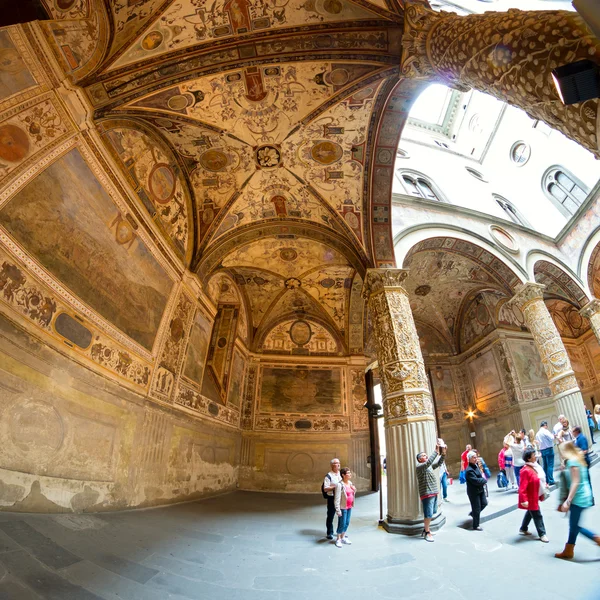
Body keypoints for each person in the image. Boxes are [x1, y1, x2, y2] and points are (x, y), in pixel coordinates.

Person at [555, 442, 600, 559]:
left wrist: (568, 501)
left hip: (578, 498)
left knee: (575, 526)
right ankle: (568, 550)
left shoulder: (572, 461)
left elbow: (575, 482)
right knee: (574, 525)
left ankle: (597, 539)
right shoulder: (579, 459)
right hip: (584, 496)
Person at [416, 440, 446, 542]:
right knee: (428, 513)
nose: (426, 456)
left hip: (433, 492)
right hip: (427, 493)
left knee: (432, 511)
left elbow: (438, 464)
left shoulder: (427, 466)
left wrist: (443, 454)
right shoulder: (420, 467)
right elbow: (429, 462)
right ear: (420, 459)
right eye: (424, 455)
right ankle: (427, 531)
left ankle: (426, 530)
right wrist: (436, 450)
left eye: (426, 455)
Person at [517, 448, 549, 542]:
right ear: (529, 458)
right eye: (533, 455)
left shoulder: (535, 466)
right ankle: (542, 533)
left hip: (534, 495)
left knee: (531, 513)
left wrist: (544, 484)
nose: (535, 456)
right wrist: (524, 500)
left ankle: (523, 528)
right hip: (530, 497)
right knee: (537, 514)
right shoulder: (525, 470)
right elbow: (522, 487)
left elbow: (539, 478)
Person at [334, 467, 356, 548]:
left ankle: (343, 537)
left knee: (347, 522)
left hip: (349, 506)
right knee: (342, 523)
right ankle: (338, 539)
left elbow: (351, 493)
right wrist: (337, 509)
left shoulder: (350, 483)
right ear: (343, 475)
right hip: (343, 507)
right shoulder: (339, 485)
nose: (350, 474)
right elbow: (337, 498)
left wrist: (354, 489)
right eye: (348, 473)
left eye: (350, 473)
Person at [466, 451, 487, 530]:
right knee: (476, 508)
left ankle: (473, 513)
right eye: (474, 457)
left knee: (484, 503)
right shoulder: (469, 470)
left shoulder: (476, 466)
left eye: (476, 457)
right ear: (469, 459)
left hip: (480, 489)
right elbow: (476, 481)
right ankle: (476, 525)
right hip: (473, 492)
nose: (476, 459)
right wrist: (484, 480)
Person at [323, 458, 342, 540]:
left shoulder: (341, 474)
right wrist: (336, 487)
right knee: (330, 515)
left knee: (341, 515)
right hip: (332, 497)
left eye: (338, 463)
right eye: (336, 463)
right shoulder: (328, 476)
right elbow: (325, 488)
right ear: (332, 465)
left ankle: (340, 532)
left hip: (341, 497)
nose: (338, 464)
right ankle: (330, 532)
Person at [536, 421, 556, 485]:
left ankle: (546, 480)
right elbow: (552, 438)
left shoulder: (537, 434)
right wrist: (553, 435)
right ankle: (551, 480)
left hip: (542, 450)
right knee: (550, 465)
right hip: (549, 449)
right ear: (545, 425)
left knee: (545, 465)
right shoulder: (545, 431)